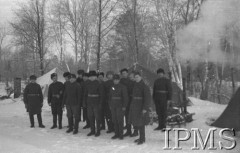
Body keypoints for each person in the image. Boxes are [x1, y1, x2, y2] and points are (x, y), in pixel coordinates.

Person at [128, 72, 151, 145]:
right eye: (135, 77)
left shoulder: (144, 86)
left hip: (141, 106)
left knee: (141, 123)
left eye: (137, 77)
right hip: (135, 106)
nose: (136, 78)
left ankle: (142, 138)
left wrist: (145, 108)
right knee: (137, 122)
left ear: (141, 77)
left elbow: (147, 98)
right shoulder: (135, 85)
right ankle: (141, 137)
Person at [83, 70, 104, 137]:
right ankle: (92, 130)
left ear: (96, 77)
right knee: (90, 117)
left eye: (93, 76)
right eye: (90, 76)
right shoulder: (87, 83)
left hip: (96, 103)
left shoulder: (99, 83)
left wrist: (100, 103)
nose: (92, 77)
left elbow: (102, 95)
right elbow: (85, 94)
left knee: (97, 117)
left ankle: (98, 131)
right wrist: (84, 102)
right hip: (89, 102)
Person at [109, 74, 128, 140]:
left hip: (120, 105)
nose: (115, 81)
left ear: (119, 80)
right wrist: (110, 104)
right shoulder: (112, 87)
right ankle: (116, 133)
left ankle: (121, 134)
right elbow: (110, 96)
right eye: (114, 80)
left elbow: (125, 97)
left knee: (120, 120)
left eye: (117, 80)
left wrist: (124, 106)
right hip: (113, 105)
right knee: (114, 120)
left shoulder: (123, 87)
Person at [120, 68, 138, 137]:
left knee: (134, 116)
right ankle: (128, 131)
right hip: (126, 100)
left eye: (125, 73)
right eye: (122, 74)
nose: (124, 75)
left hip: (133, 100)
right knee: (127, 116)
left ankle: (136, 131)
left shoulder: (134, 82)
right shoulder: (121, 81)